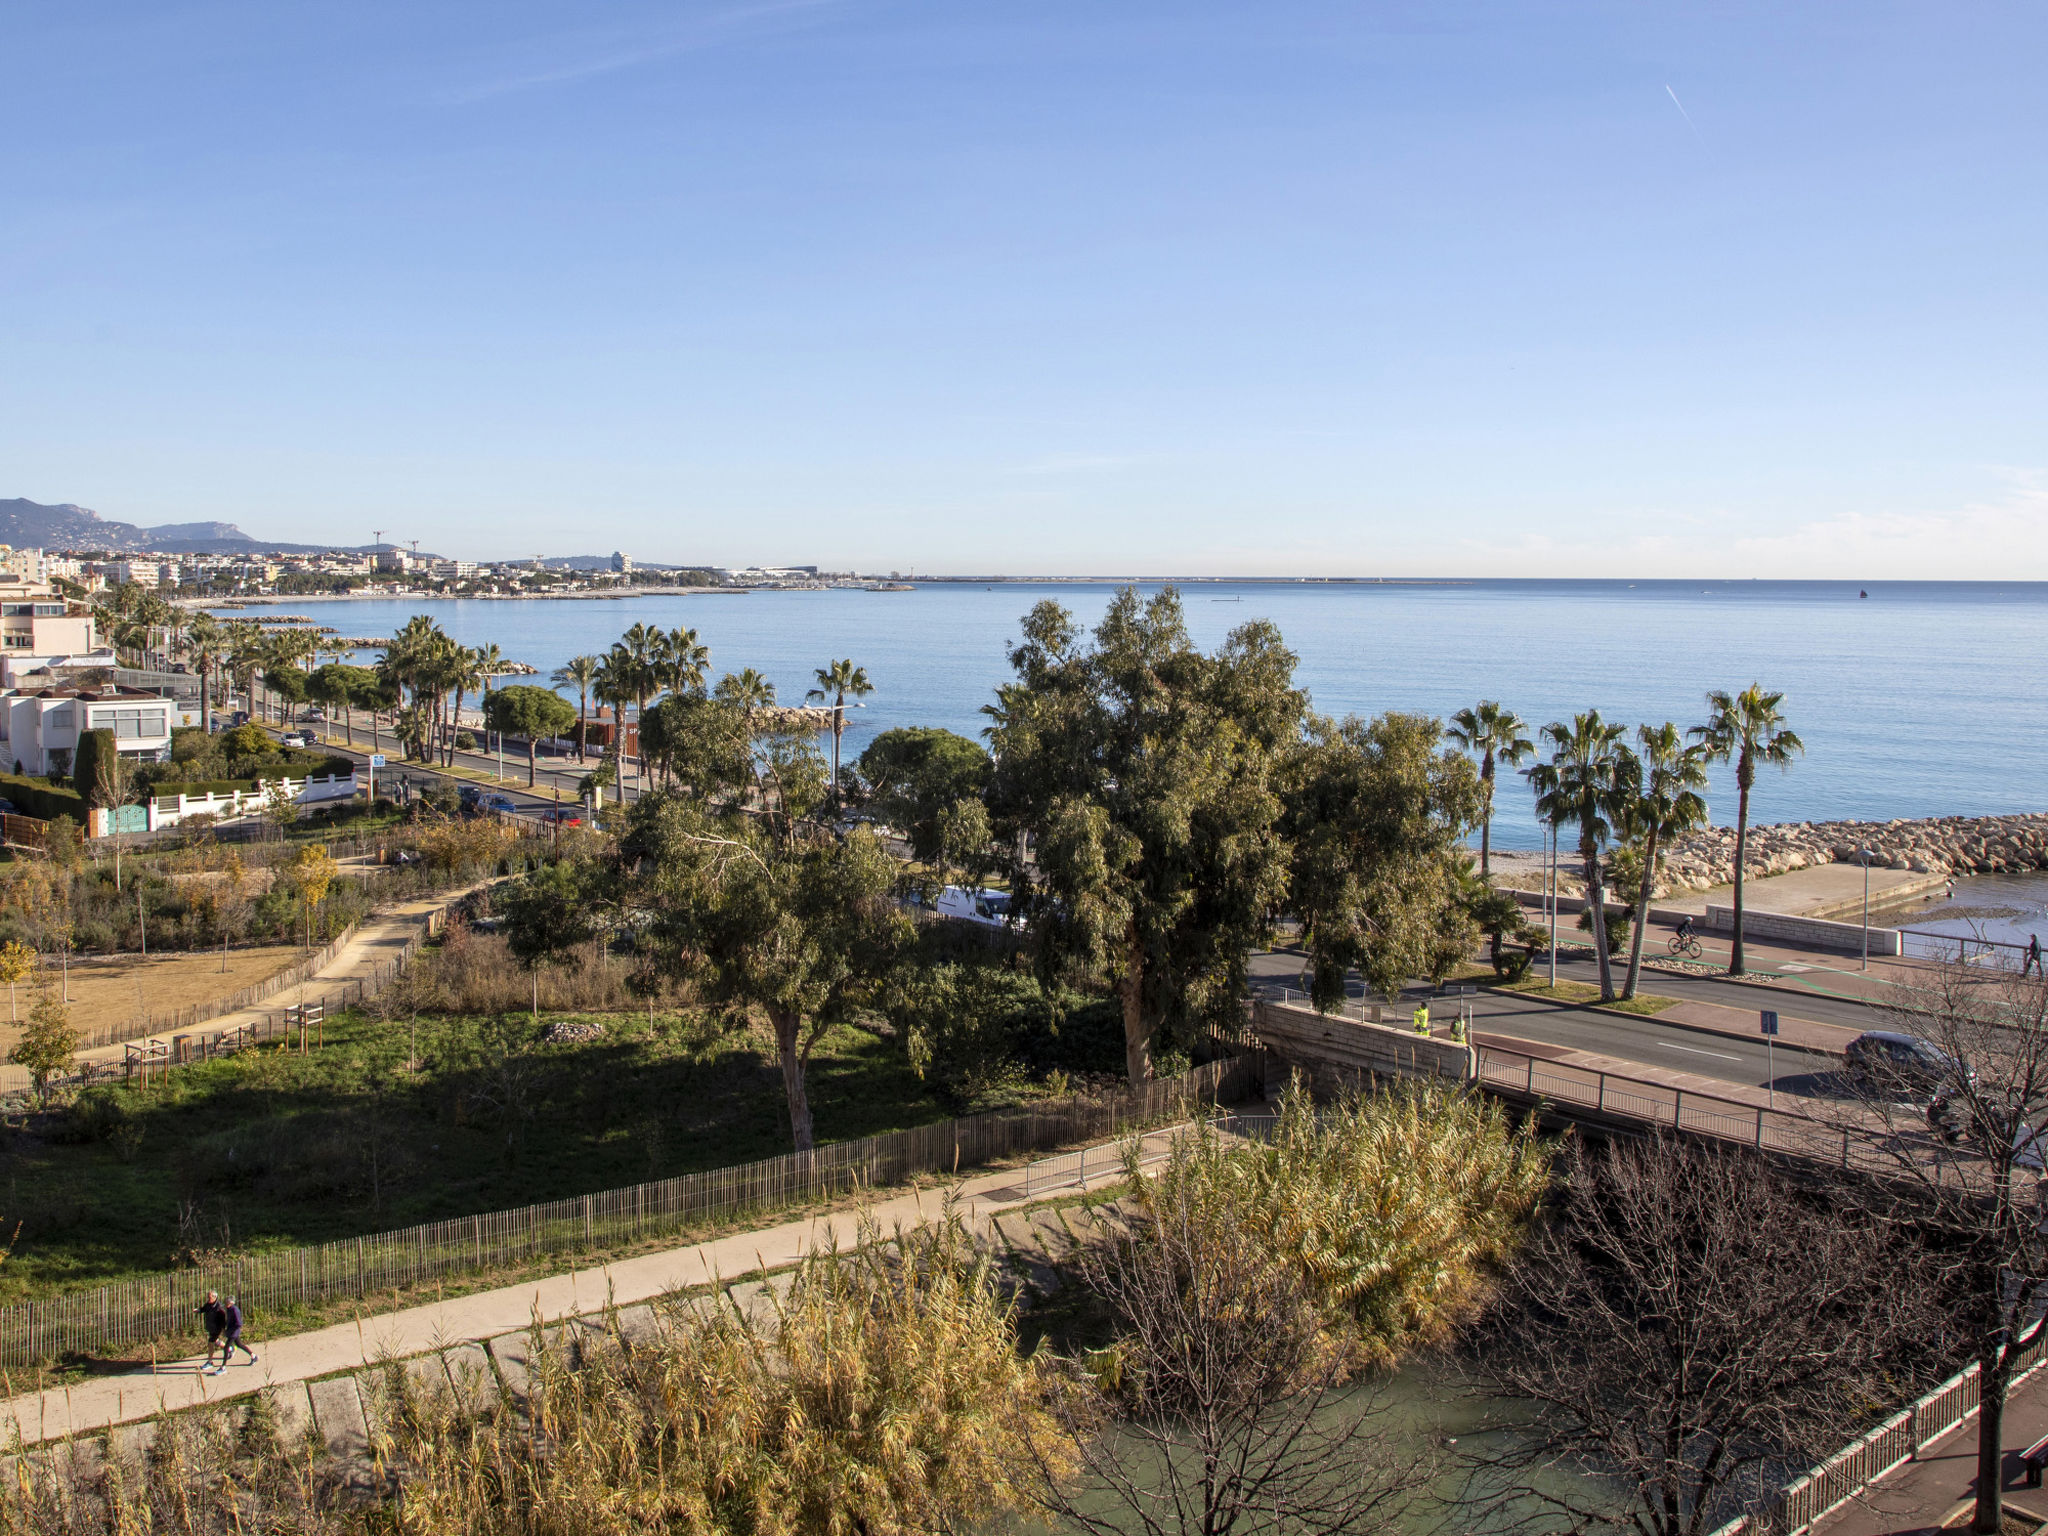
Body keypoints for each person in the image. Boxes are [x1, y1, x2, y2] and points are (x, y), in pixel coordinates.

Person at [216, 1295, 257, 1371]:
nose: (225, 1303)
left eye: (227, 1302)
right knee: (239, 1344)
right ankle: (253, 1356)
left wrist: (231, 1330)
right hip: (231, 1331)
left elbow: (239, 1324)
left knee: (226, 1348)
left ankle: (223, 1367)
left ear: (231, 1303)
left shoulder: (235, 1310)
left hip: (234, 1332)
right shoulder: (229, 1309)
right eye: (225, 1302)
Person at [195, 1290, 225, 1373]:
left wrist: (223, 1328)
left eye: (210, 1297)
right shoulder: (208, 1304)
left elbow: (223, 1318)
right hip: (210, 1327)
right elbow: (204, 1309)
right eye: (208, 1297)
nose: (208, 1299)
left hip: (216, 1328)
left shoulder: (219, 1307)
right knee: (215, 1341)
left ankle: (210, 1362)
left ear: (215, 1297)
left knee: (210, 1342)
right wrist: (199, 1310)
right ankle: (229, 1348)